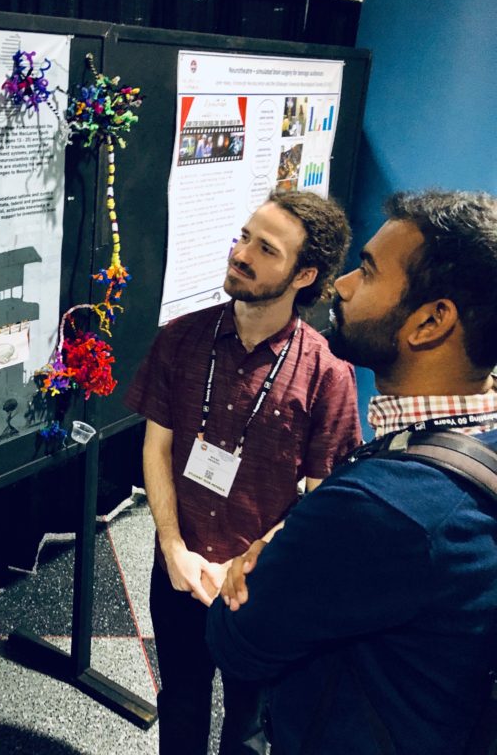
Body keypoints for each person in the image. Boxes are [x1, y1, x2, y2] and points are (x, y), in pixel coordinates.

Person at [208, 190, 497, 754]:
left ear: (431, 321)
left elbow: (236, 640)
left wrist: (278, 550)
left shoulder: (386, 508)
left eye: (366, 271)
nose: (340, 286)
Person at [124, 190, 362, 755]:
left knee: (249, 722)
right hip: (178, 564)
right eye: (244, 236)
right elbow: (157, 447)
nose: (242, 253)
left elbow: (321, 497)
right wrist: (172, 545)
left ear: (305, 275)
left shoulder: (328, 374)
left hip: (260, 582)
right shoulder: (181, 338)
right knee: (180, 699)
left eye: (266, 249)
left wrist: (248, 561)